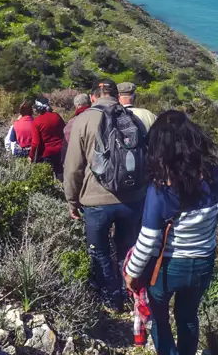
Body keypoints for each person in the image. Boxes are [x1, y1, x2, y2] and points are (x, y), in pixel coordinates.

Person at [124, 111, 218, 355]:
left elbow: (148, 241)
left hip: (168, 266)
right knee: (188, 317)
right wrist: (210, 216)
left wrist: (131, 273)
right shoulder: (216, 176)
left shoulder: (160, 187)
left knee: (159, 318)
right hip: (203, 262)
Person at [64, 79, 148, 310]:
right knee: (127, 249)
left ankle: (111, 299)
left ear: (92, 97)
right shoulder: (134, 119)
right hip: (132, 198)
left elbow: (73, 168)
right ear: (116, 95)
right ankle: (129, 294)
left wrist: (72, 200)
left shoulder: (83, 120)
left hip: (96, 200)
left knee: (99, 252)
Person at [29, 96, 66, 175]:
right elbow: (64, 131)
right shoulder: (56, 116)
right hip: (60, 151)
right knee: (60, 174)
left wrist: (31, 156)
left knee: (47, 176)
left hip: (46, 154)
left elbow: (35, 143)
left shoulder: (36, 122)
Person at [61, 93, 91, 161]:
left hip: (80, 159)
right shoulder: (98, 115)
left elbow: (67, 144)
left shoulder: (72, 122)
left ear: (77, 106)